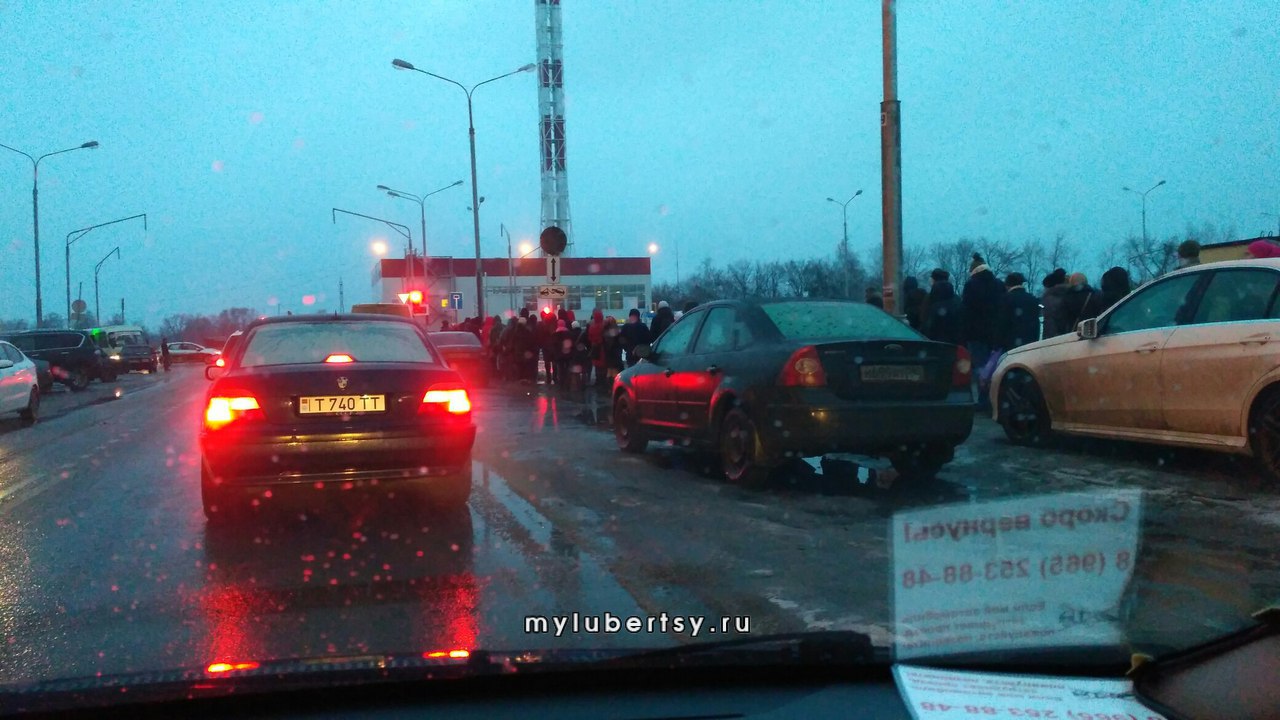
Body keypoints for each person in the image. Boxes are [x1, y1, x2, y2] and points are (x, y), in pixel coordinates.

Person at [962, 254, 1005, 411]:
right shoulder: (999, 285)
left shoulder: (971, 286)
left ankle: (982, 399)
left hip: (976, 334)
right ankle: (995, 398)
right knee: (994, 366)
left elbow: (966, 311)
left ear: (973, 270)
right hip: (995, 334)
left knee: (980, 368)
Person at [996, 273, 1041, 351]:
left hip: (1010, 345)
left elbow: (1002, 323)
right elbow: (1036, 323)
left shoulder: (1005, 299)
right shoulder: (1032, 299)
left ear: (1008, 285)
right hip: (1030, 344)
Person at [921, 270, 963, 345]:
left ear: (934, 280)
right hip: (956, 341)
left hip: (936, 342)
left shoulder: (931, 299)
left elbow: (927, 321)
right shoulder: (957, 300)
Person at [1040, 268, 1070, 339]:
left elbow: (1050, 322)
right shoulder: (1071, 295)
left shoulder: (1048, 298)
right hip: (1071, 336)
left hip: (1053, 338)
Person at [588, 308, 607, 387]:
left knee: (597, 366)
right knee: (604, 365)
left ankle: (598, 381)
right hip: (603, 348)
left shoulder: (592, 327)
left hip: (595, 348)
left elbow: (590, 338)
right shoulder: (604, 325)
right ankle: (604, 382)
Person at [602, 317, 625, 382]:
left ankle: (609, 385)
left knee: (609, 370)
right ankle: (614, 385)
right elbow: (620, 341)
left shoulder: (604, 331)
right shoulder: (615, 331)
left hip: (608, 354)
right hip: (615, 354)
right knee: (615, 371)